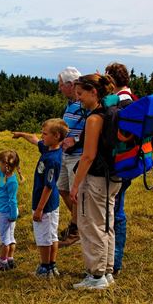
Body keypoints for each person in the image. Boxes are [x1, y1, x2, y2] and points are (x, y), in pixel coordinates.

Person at [69, 74, 122, 290]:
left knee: (91, 225)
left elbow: (88, 155)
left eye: (80, 94)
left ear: (93, 92)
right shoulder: (112, 113)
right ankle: (107, 271)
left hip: (97, 178)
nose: (78, 98)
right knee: (107, 223)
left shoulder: (93, 119)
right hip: (113, 176)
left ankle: (96, 275)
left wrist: (75, 184)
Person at [13, 118, 68, 278]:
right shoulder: (49, 149)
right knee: (52, 235)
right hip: (51, 204)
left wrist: (39, 209)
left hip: (45, 204)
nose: (41, 136)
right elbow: (35, 140)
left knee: (44, 237)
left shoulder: (53, 159)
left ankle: (44, 268)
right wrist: (21, 134)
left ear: (56, 136)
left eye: (45, 134)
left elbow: (49, 186)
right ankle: (51, 266)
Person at [105, 62, 137, 277]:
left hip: (119, 163)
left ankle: (114, 262)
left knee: (115, 213)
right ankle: (114, 260)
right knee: (118, 210)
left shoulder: (121, 102)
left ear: (112, 80)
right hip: (130, 161)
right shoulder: (131, 98)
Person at [56, 67, 87, 247]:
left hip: (77, 156)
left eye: (61, 85)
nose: (59, 88)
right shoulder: (70, 103)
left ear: (71, 84)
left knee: (75, 194)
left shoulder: (84, 105)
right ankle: (80, 223)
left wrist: (75, 140)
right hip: (64, 155)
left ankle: (76, 230)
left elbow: (91, 129)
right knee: (62, 189)